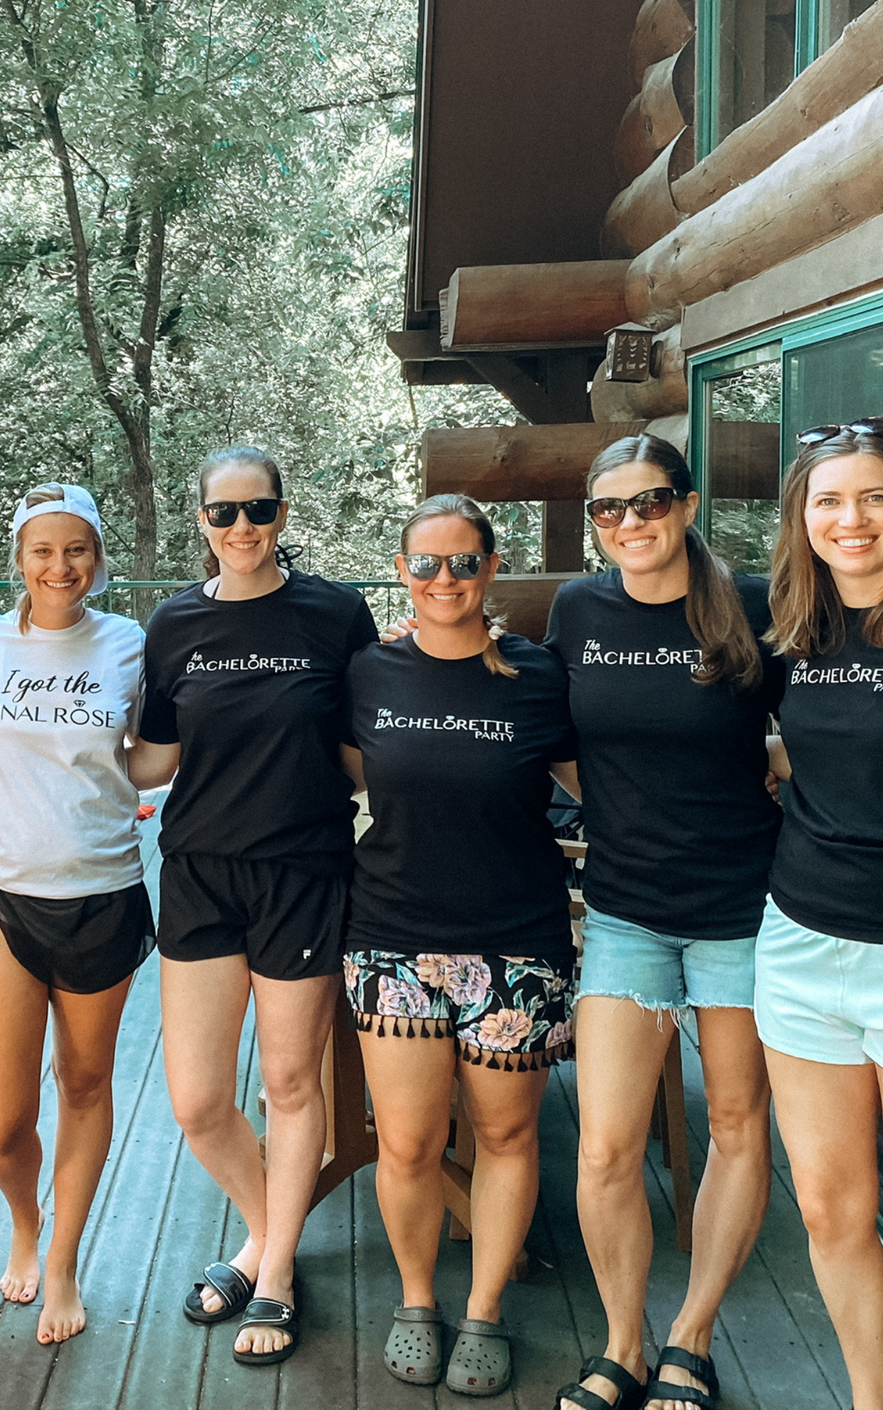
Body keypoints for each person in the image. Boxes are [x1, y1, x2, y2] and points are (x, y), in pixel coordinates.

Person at [127, 444, 377, 1366]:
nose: (241, 529)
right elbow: (153, 757)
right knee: (197, 1101)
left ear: (281, 513)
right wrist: (55, 740)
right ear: (200, 520)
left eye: (257, 510)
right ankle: (265, 1233)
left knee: (289, 1085)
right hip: (196, 869)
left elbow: (362, 744)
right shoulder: (174, 622)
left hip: (304, 868)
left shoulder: (333, 612)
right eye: (223, 513)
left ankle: (270, 1272)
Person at [548, 437, 783, 1410]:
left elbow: (805, 729)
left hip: (740, 905)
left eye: (647, 502)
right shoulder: (576, 607)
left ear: (683, 506)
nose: (628, 522)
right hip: (625, 909)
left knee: (734, 1123)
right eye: (607, 509)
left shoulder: (754, 605)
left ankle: (688, 1334)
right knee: (602, 1145)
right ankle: (620, 1343)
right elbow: (559, 740)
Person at [342, 495, 577, 1398]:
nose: (445, 580)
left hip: (517, 939)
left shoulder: (537, 673)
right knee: (405, 1142)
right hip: (394, 937)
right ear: (402, 571)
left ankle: (482, 1309)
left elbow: (599, 773)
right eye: (426, 564)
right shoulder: (367, 671)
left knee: (507, 1132)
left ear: (491, 565)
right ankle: (415, 1300)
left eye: (463, 562)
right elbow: (336, 765)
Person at [0, 483, 152, 1346]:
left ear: (97, 557)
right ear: (18, 560)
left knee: (83, 1083)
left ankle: (61, 1253)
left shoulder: (130, 642)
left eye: (75, 548)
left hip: (101, 889)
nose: (58, 565)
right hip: (0, 889)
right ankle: (25, 1217)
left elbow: (151, 755)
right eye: (41, 549)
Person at [755, 420, 883, 1410]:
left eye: (873, 495)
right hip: (799, 946)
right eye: (829, 499)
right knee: (831, 1212)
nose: (852, 518)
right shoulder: (793, 631)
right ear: (801, 515)